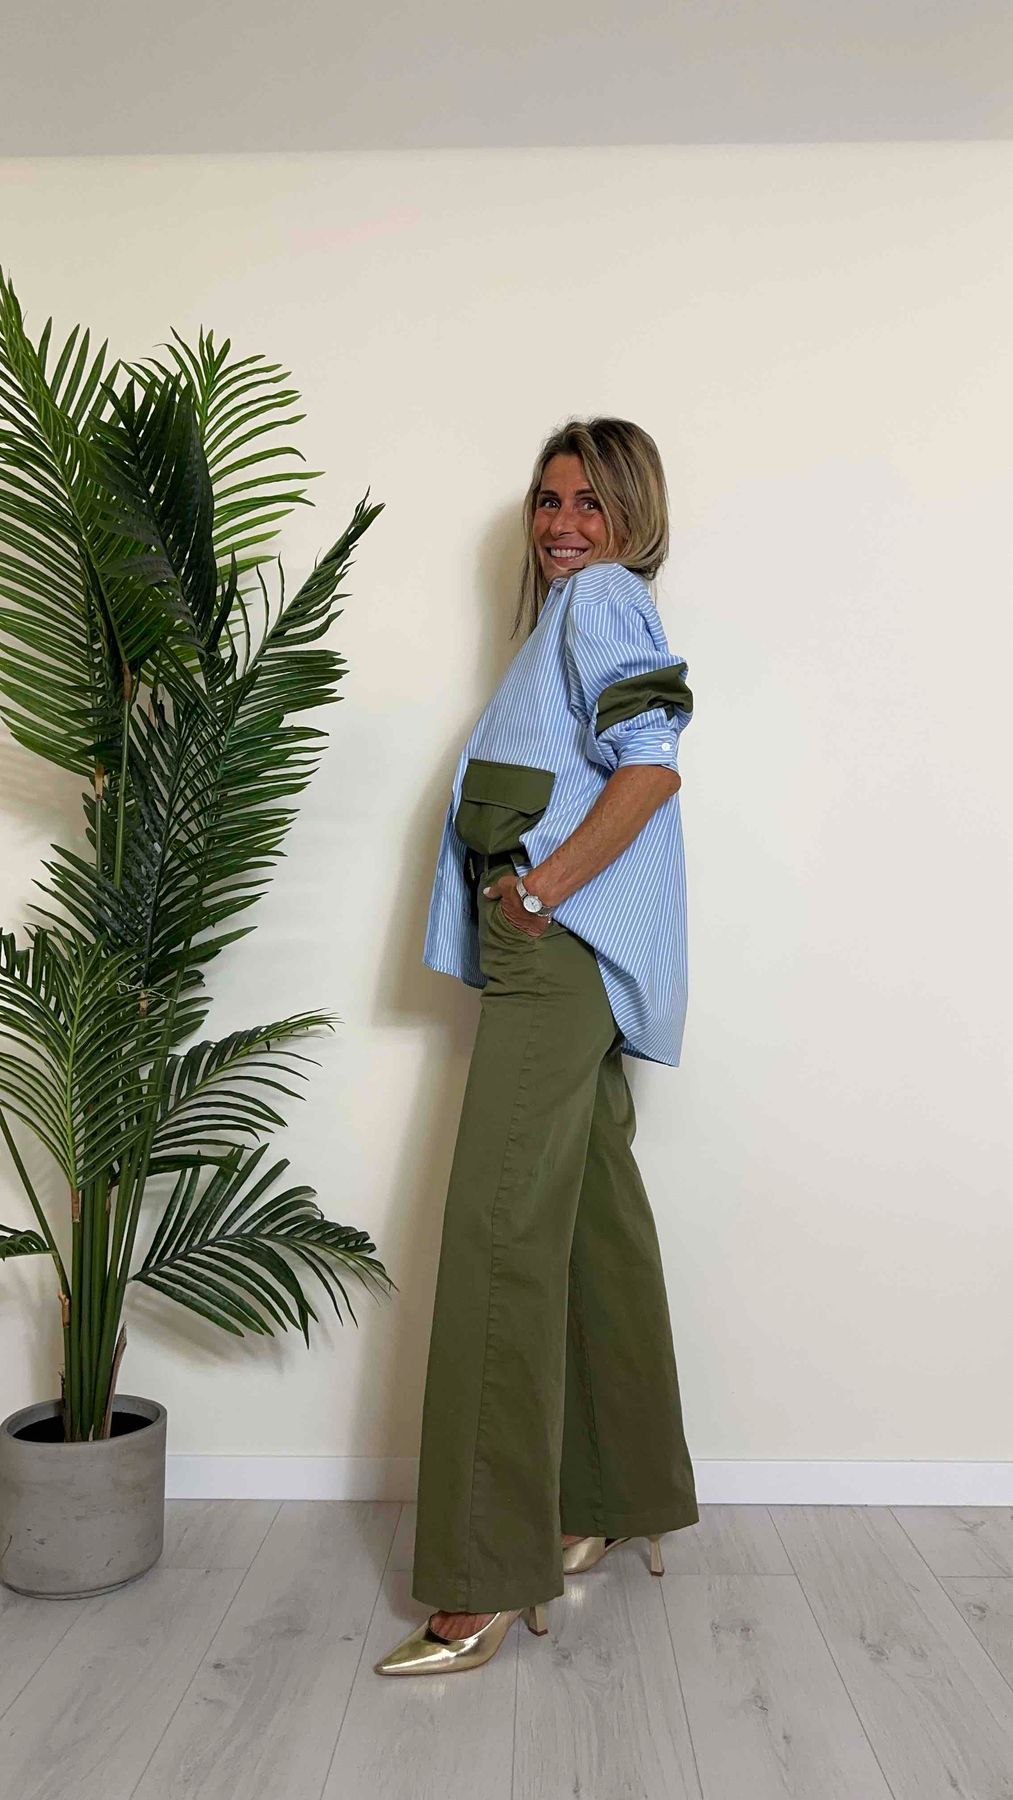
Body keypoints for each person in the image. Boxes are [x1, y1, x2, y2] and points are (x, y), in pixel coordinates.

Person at [375, 417, 700, 1677]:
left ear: (631, 518)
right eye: (547, 500)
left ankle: (479, 1579)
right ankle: (610, 1493)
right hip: (567, 954)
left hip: (551, 949)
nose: (563, 524)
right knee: (588, 1225)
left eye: (590, 502)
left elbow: (649, 768)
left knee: (496, 1235)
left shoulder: (602, 599)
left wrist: (540, 891)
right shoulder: (571, 614)